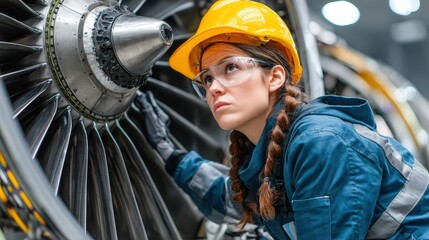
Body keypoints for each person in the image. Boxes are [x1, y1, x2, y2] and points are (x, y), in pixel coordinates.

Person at [135, 0, 429, 239]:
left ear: (274, 76)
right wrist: (169, 152)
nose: (214, 87)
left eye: (231, 68)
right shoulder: (268, 159)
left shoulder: (321, 143)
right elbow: (229, 199)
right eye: (207, 78)